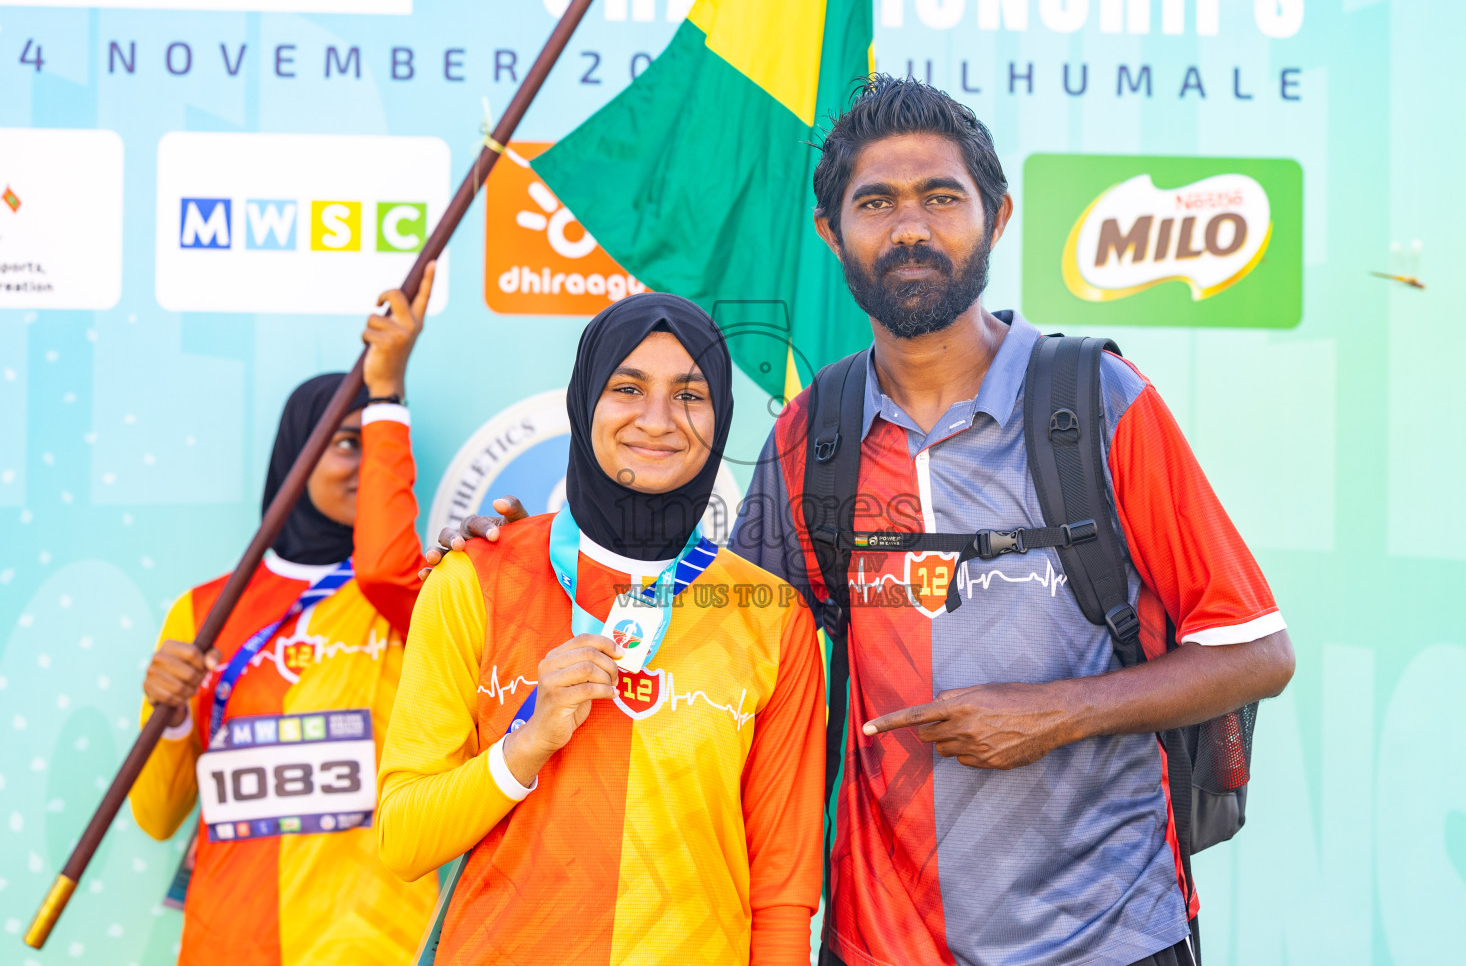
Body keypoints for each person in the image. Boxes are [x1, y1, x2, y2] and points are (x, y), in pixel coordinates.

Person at [434, 76, 1296, 966]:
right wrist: (529, 553)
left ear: (996, 218)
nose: (911, 228)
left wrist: (1054, 713)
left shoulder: (1096, 402)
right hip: (881, 944)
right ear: (831, 235)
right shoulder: (817, 431)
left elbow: (1259, 652)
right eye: (876, 202)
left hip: (1110, 936)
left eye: (941, 198)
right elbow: (709, 624)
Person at [375, 293, 824, 966]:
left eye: (690, 395)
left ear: (722, 415)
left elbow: (782, 887)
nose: (657, 419)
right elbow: (402, 839)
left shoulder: (770, 615)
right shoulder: (474, 580)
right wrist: (524, 746)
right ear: (585, 401)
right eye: (627, 387)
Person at [129, 266, 439, 966]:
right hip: (228, 942)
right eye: (344, 443)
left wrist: (390, 394)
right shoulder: (205, 608)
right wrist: (170, 716)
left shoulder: (407, 598)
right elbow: (156, 817)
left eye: (378, 441)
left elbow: (388, 562)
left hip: (375, 945)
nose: (366, 463)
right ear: (294, 458)